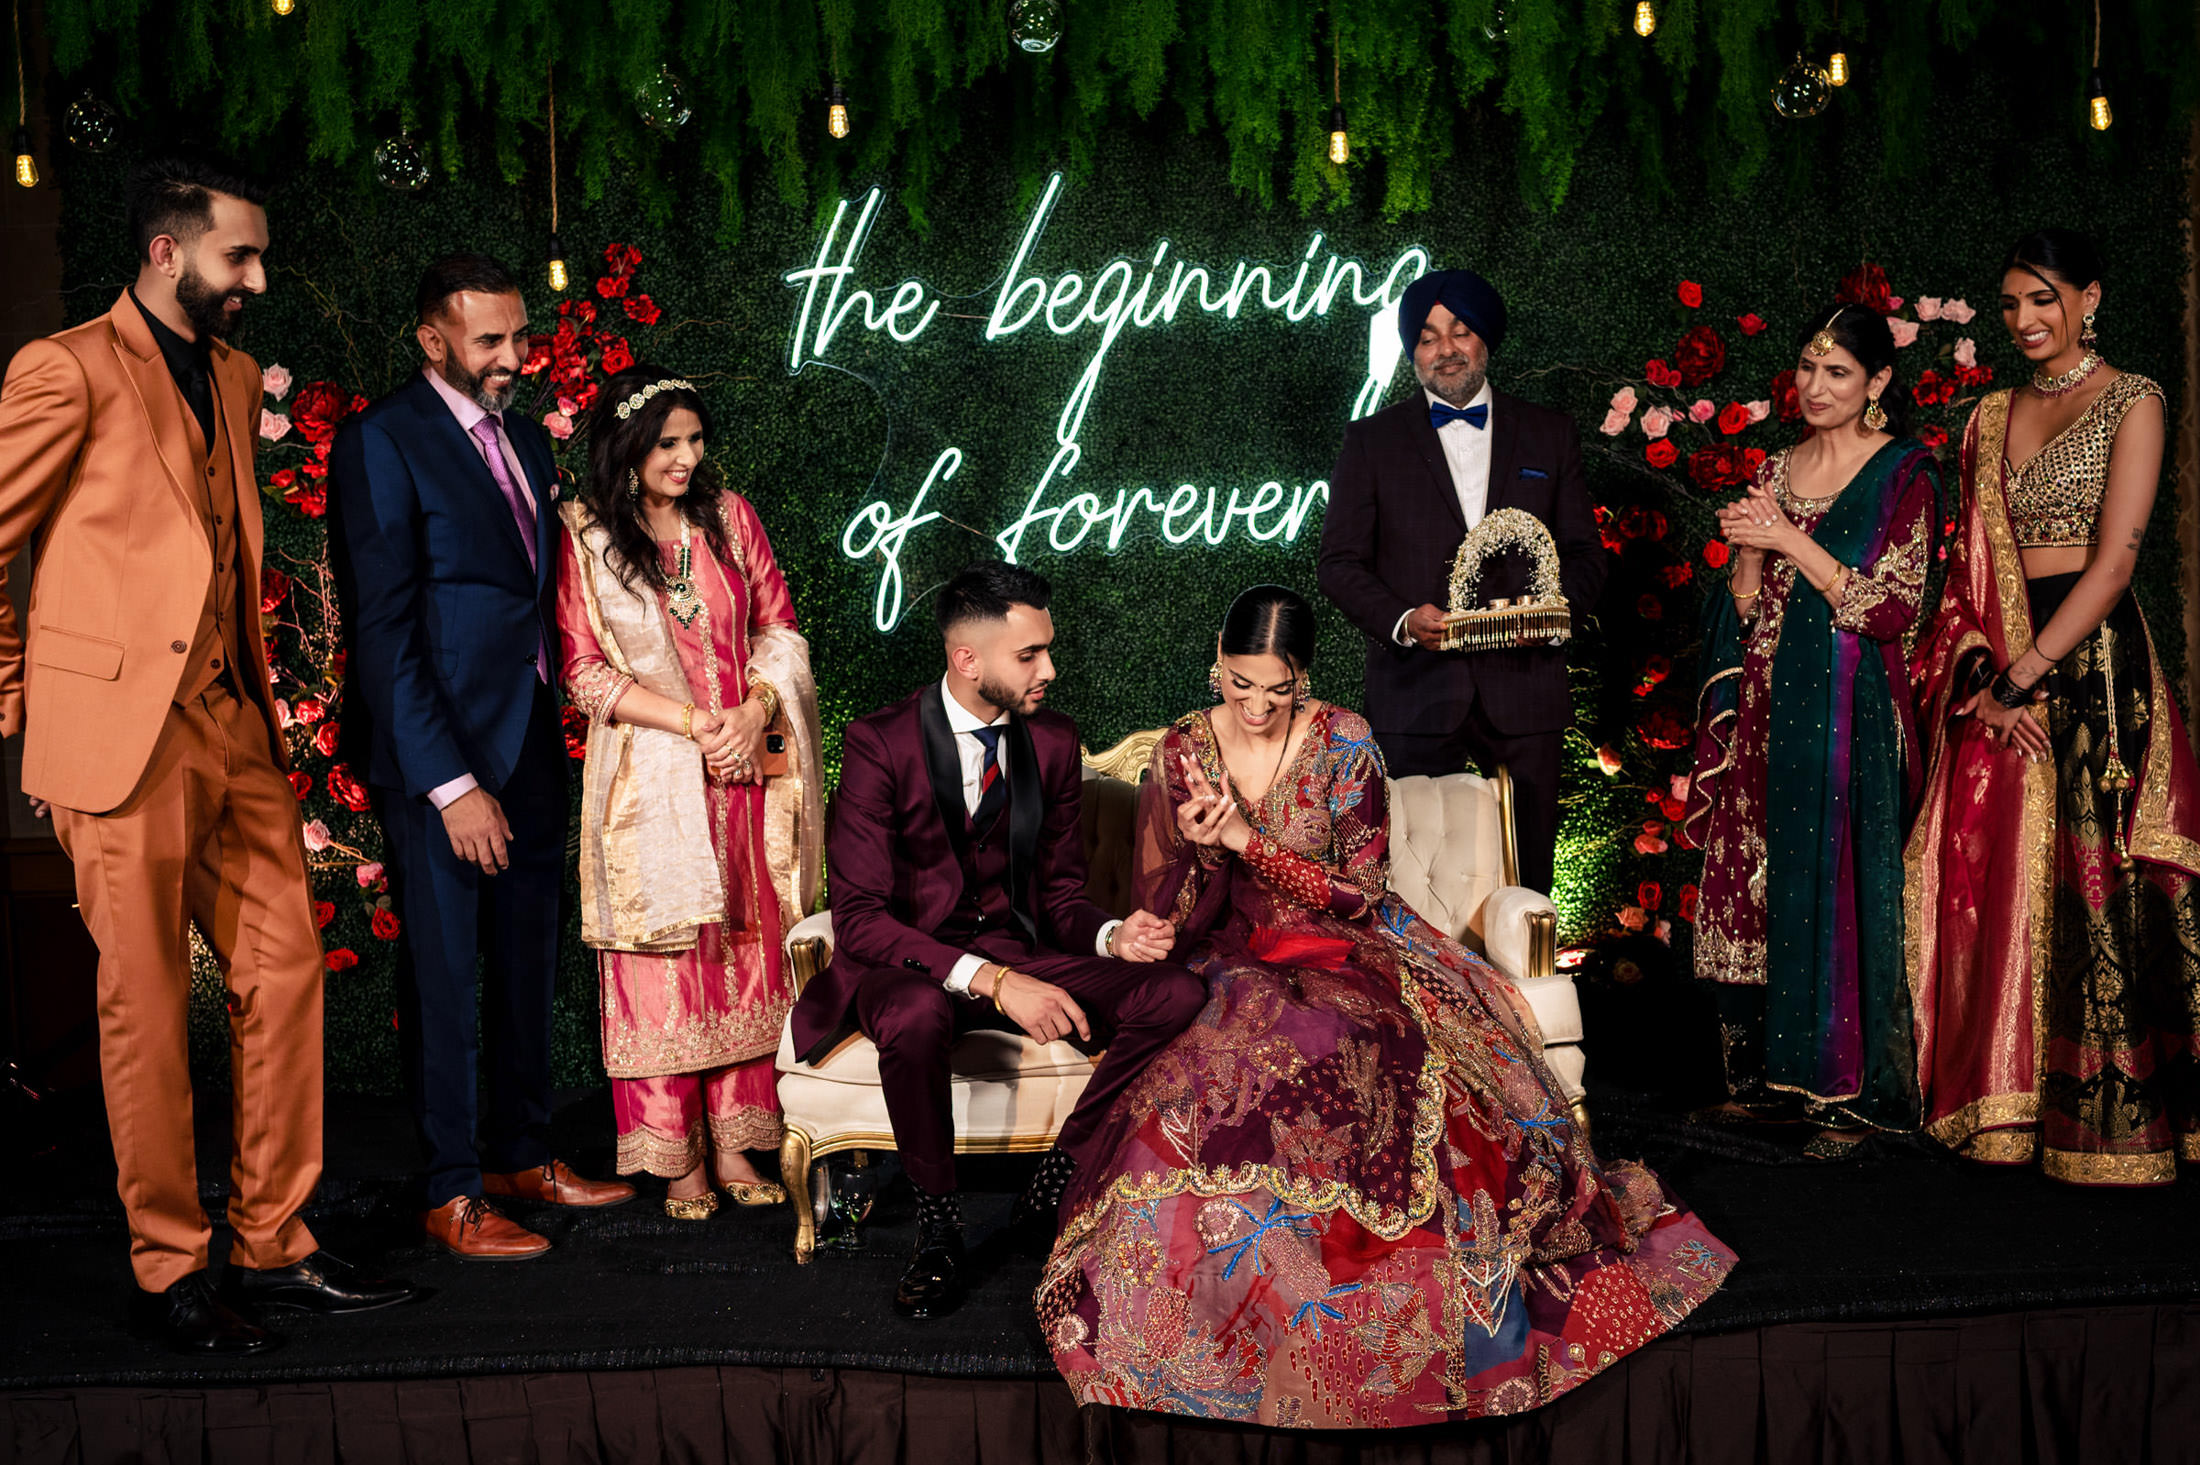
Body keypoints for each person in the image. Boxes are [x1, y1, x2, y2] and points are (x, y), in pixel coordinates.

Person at [1038, 586, 1732, 1427]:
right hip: (1230, 951)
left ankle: (1369, 1293)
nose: (1255, 706)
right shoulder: (1183, 747)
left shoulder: (1346, 742)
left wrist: (1246, 842)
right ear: (1216, 660)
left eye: (1278, 688)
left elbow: (1362, 895)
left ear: (1305, 677)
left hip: (1346, 947)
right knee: (1205, 1079)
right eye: (1239, 682)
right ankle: (1216, 1319)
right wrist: (1194, 850)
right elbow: (1169, 897)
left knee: (1357, 1044)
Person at [0, 158, 417, 1352]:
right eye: (241, 257)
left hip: (232, 724)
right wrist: (18, 692)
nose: (259, 279)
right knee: (142, 1005)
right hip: (115, 736)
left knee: (283, 972)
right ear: (166, 252)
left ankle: (274, 1240)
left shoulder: (232, 375)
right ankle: (170, 1267)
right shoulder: (65, 367)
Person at [789, 561, 1206, 1319]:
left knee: (1178, 990)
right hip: (908, 967)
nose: (1049, 669)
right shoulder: (880, 742)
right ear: (967, 659)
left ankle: (1058, 1175)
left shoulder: (1051, 741)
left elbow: (1061, 896)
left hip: (1023, 955)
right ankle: (940, 1229)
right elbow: (859, 920)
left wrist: (1115, 936)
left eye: (1047, 649)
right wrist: (990, 980)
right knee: (915, 1016)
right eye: (1029, 655)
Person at [331, 254, 634, 1258]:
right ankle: (452, 1186)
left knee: (524, 960)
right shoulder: (384, 439)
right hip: (443, 759)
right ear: (433, 341)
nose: (513, 358)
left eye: (519, 337)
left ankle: (520, 1151)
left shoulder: (518, 441)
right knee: (446, 970)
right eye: (489, 341)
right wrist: (450, 782)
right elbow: (383, 633)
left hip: (531, 735)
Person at [1908, 229, 2200, 1184]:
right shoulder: (1987, 416)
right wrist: (1987, 670)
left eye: (2044, 299)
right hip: (2003, 657)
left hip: (2090, 659)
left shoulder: (2134, 399)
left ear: (2089, 298)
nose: (2026, 321)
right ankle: (2005, 1102)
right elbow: (1963, 567)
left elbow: (2117, 561)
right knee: (1998, 875)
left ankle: (2106, 1126)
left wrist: (2025, 673)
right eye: (2011, 305)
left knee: (2091, 874)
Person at [556, 366, 823, 1218]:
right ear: (628, 446)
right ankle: (678, 1156)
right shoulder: (586, 532)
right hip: (654, 773)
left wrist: (752, 711)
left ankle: (740, 1139)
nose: (685, 457)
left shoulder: (729, 516)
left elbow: (778, 626)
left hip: (747, 767)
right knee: (666, 953)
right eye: (667, 443)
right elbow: (581, 671)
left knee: (748, 939)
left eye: (695, 440)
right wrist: (690, 722)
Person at [1681, 305, 1942, 1157]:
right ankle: (1762, 1084)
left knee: (1830, 878)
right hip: (1767, 704)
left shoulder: (1905, 474)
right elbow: (1750, 610)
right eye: (1806, 368)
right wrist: (1749, 556)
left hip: (1849, 711)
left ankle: (1846, 1093)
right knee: (1759, 871)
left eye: (1837, 374)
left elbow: (1894, 606)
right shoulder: (1777, 466)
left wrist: (1787, 536)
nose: (1815, 387)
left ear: (1878, 384)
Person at [1318, 268, 1608, 895]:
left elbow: (1586, 554)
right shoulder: (1371, 442)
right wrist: (1401, 620)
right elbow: (1338, 562)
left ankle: (1524, 994)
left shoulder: (1549, 433)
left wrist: (1554, 616)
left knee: (1530, 878)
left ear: (1485, 341)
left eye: (1459, 331)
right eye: (1425, 337)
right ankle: (1419, 994)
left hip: (1526, 690)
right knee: (1408, 884)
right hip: (1415, 693)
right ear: (1412, 352)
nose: (1444, 348)